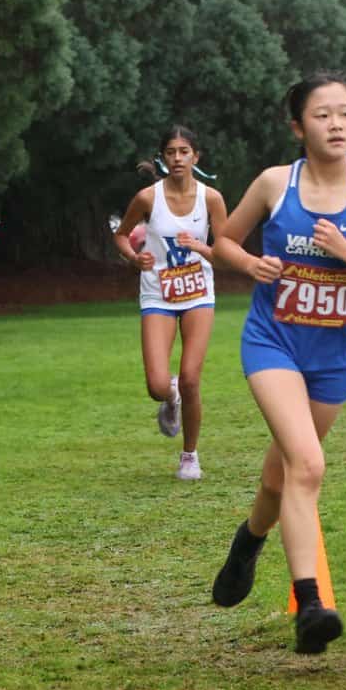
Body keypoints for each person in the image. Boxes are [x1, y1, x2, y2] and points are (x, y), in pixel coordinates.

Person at [207, 72, 346, 654]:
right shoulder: (276, 184)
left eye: (345, 113)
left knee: (284, 476)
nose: (336, 124)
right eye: (322, 115)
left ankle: (248, 542)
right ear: (299, 127)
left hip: (335, 357)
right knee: (309, 464)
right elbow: (226, 239)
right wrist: (249, 265)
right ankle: (311, 605)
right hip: (273, 344)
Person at [112, 126, 228, 481]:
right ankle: (170, 394)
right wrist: (135, 258)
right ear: (163, 158)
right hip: (158, 294)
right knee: (156, 386)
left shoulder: (211, 199)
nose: (178, 158)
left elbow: (224, 252)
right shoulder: (148, 198)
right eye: (171, 152)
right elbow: (119, 236)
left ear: (196, 156)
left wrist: (201, 249)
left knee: (192, 378)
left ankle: (190, 456)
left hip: (197, 293)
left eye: (184, 151)